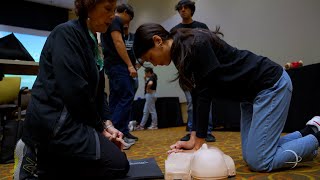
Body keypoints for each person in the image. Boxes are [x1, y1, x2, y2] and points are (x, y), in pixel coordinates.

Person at [132, 23, 320, 172]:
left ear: (157, 41)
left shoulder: (195, 44)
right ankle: (309, 131)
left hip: (270, 85)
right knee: (252, 154)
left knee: (260, 161)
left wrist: (199, 142)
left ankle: (317, 137)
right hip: (250, 97)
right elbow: (198, 95)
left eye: (150, 57)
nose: (153, 64)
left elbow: (205, 94)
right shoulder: (182, 50)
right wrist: (194, 136)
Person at [15, 0, 130, 179]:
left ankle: (48, 164)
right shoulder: (66, 33)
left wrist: (108, 124)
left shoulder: (93, 43)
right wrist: (100, 129)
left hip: (77, 119)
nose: (112, 16)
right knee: (116, 165)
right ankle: (34, 152)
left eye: (114, 10)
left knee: (119, 162)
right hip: (54, 121)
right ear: (89, 7)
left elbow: (99, 92)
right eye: (108, 9)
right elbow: (74, 90)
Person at [170, 0, 216, 142]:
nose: (183, 10)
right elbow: (174, 53)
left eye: (186, 8)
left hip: (203, 71)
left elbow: (211, 45)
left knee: (204, 101)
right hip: (187, 73)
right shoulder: (175, 30)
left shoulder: (201, 27)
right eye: (180, 8)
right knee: (191, 103)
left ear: (191, 10)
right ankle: (192, 131)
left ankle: (206, 131)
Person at [100, 4, 139, 144]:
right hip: (118, 65)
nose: (128, 22)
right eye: (129, 17)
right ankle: (115, 133)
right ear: (125, 12)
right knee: (126, 95)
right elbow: (118, 42)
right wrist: (129, 65)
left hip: (112, 65)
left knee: (116, 99)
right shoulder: (116, 20)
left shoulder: (110, 22)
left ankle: (120, 131)